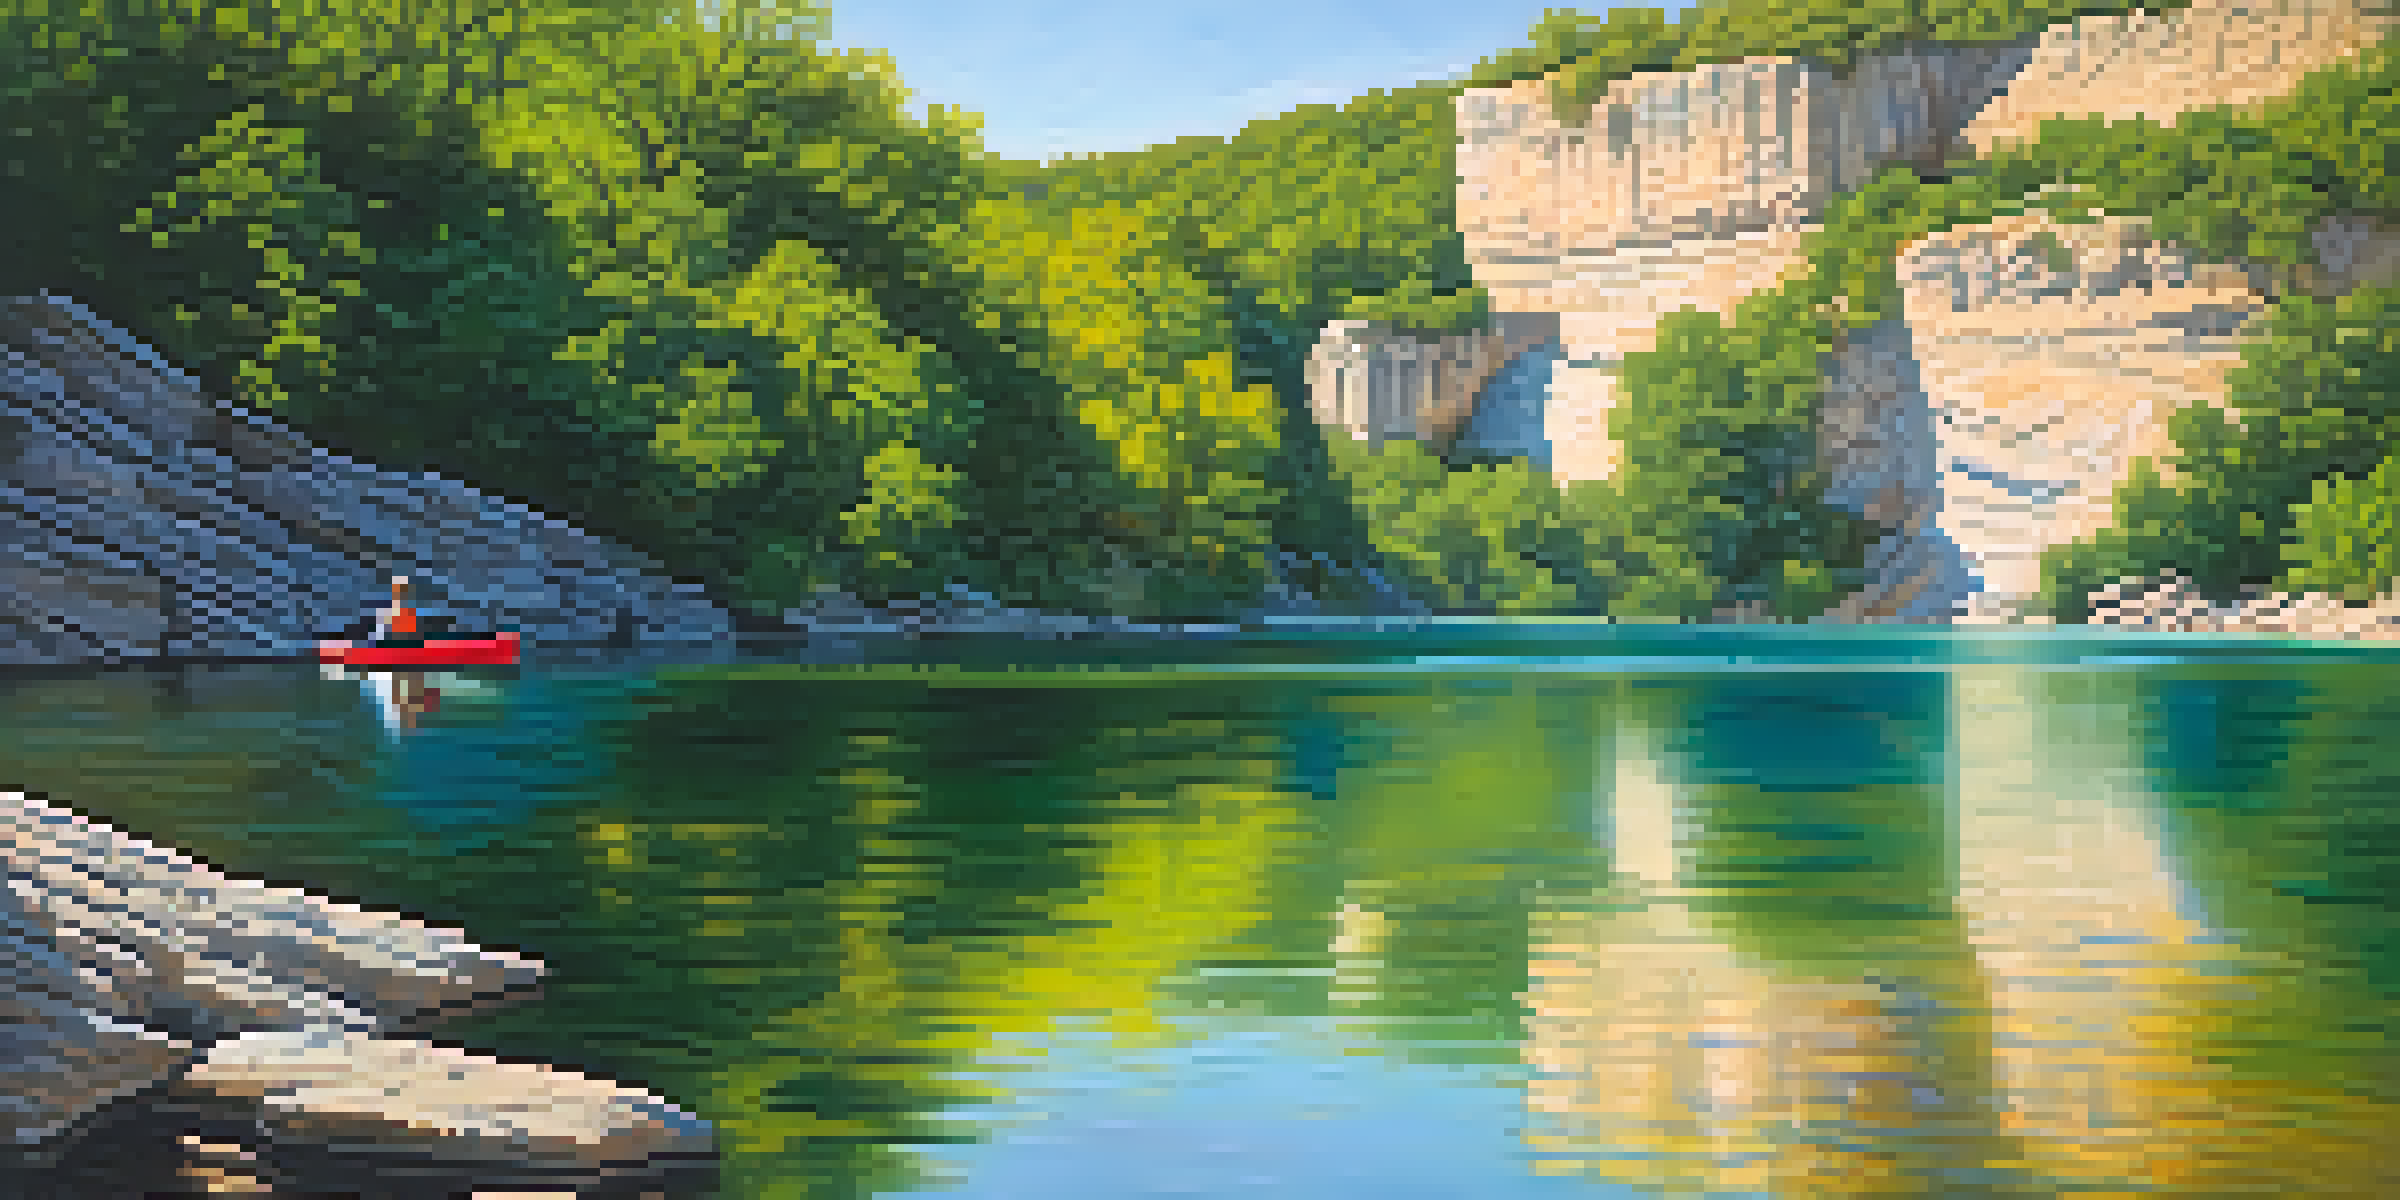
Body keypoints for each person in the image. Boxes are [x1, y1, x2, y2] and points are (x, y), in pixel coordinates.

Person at [375, 576, 418, 641]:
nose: (401, 592)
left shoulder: (411, 609)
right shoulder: (385, 610)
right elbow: (380, 635)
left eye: (403, 589)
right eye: (398, 588)